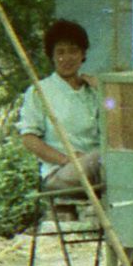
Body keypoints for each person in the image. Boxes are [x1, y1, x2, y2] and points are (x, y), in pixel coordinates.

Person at [17, 19, 108, 193]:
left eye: (73, 51)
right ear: (51, 56)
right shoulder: (41, 90)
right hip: (61, 172)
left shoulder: (92, 90)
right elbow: (29, 138)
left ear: (83, 54)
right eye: (60, 52)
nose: (67, 58)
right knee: (103, 157)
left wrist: (102, 90)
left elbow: (116, 114)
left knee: (115, 157)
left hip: (97, 168)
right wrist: (67, 160)